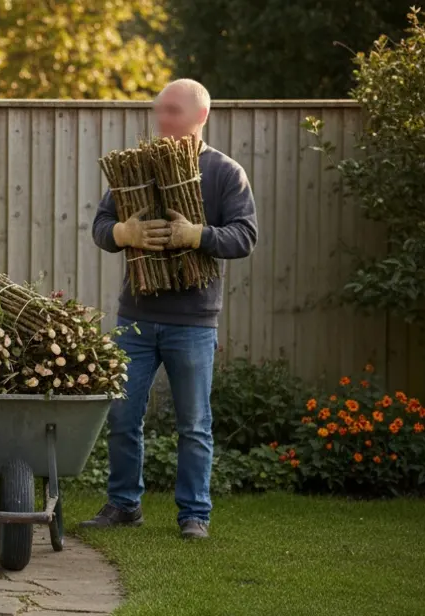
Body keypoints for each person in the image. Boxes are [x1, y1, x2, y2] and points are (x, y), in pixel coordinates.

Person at [80, 79, 258, 540]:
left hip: (193, 321)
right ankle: (124, 505)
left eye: (173, 111)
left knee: (194, 424)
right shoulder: (136, 169)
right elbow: (100, 227)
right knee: (121, 415)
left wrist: (196, 236)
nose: (162, 120)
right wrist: (124, 234)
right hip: (135, 315)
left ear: (200, 115)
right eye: (159, 111)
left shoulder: (225, 173)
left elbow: (245, 236)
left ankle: (194, 514)